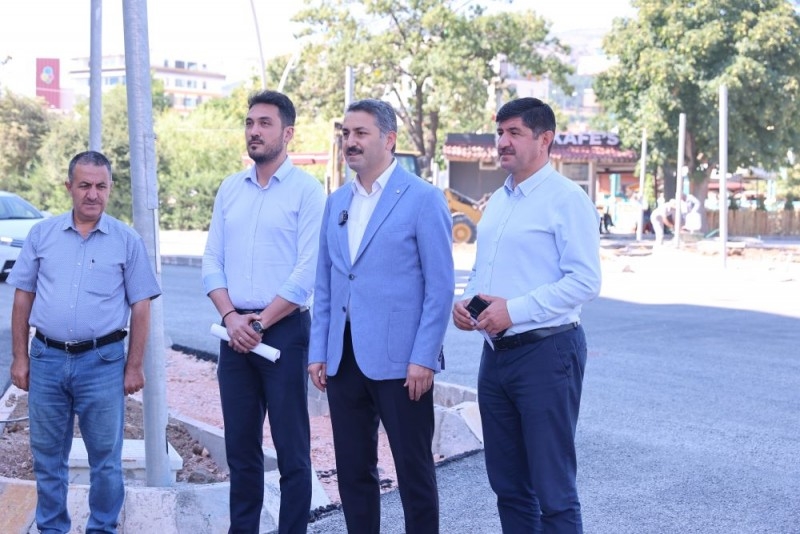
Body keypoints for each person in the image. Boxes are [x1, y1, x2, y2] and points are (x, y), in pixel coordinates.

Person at [452, 98, 601, 533]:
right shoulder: (499, 200)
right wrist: (467, 302)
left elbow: (585, 281)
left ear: (544, 139)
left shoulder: (566, 200)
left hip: (546, 353)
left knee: (553, 490)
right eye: (500, 133)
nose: (502, 141)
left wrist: (513, 311)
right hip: (496, 356)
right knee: (509, 486)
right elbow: (483, 270)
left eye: (514, 132)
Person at [308, 98, 454, 534]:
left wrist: (424, 357)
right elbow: (327, 283)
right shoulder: (337, 202)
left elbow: (440, 287)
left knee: (413, 471)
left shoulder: (423, 199)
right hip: (344, 360)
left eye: (360, 133)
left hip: (403, 364)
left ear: (389, 139)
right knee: (353, 471)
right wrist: (319, 351)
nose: (349, 142)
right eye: (345, 134)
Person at [8, 150, 161, 534]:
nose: (93, 194)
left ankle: (102, 529)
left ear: (109, 188)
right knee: (47, 458)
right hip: (46, 359)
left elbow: (141, 307)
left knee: (106, 461)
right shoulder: (41, 235)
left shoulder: (126, 240)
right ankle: (52, 529)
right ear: (69, 187)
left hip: (103, 363)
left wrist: (134, 365)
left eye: (100, 186)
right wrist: (20, 358)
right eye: (84, 185)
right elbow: (22, 298)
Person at [202, 90, 325, 533]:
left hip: (284, 333)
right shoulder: (230, 188)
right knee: (241, 451)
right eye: (250, 123)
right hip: (234, 333)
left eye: (265, 123)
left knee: (292, 451)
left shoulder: (308, 192)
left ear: (287, 133)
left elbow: (307, 270)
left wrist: (259, 322)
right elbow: (211, 260)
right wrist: (231, 318)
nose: (254, 131)